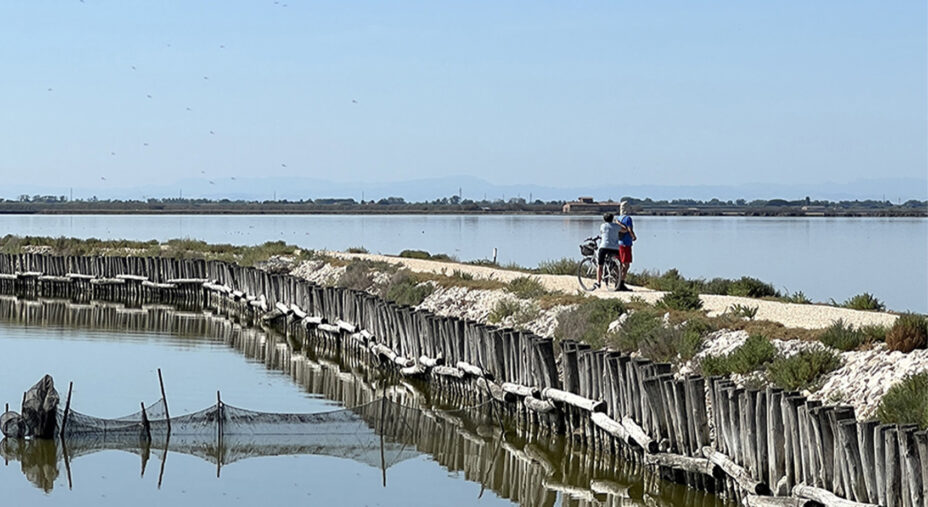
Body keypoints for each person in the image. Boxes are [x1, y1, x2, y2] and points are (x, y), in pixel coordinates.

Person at [594, 212, 621, 290]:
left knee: (600, 265)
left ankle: (598, 282)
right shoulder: (617, 226)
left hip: (604, 247)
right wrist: (618, 223)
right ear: (612, 219)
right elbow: (624, 230)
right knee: (617, 265)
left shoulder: (603, 226)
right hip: (615, 248)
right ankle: (618, 281)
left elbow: (603, 233)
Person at [616, 201, 637, 291]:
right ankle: (621, 283)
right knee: (626, 265)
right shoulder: (628, 218)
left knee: (620, 264)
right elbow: (629, 229)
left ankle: (618, 281)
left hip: (619, 243)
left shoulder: (618, 218)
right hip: (626, 243)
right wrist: (633, 236)